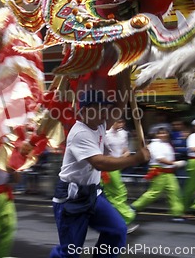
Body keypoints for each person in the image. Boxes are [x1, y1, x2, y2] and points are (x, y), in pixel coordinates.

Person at [50, 90, 150, 258]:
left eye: (105, 108)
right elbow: (99, 163)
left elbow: (118, 106)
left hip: (93, 193)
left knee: (117, 231)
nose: (105, 112)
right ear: (85, 111)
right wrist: (135, 159)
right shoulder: (80, 132)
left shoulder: (100, 124)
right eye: (100, 108)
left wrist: (127, 86)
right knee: (70, 252)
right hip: (72, 197)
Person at [131, 128, 186, 221]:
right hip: (159, 171)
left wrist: (173, 165)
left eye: (164, 133)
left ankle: (177, 213)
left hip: (169, 172)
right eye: (160, 133)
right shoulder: (155, 145)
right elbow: (160, 158)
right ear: (156, 135)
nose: (163, 135)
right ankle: (134, 207)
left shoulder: (167, 144)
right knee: (154, 192)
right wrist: (175, 164)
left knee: (174, 192)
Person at [100, 118, 138, 233]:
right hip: (107, 167)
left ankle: (111, 220)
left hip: (116, 167)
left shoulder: (123, 134)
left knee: (109, 195)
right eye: (118, 122)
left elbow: (125, 150)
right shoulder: (104, 133)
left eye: (122, 122)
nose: (120, 124)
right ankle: (126, 218)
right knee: (118, 193)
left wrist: (125, 157)